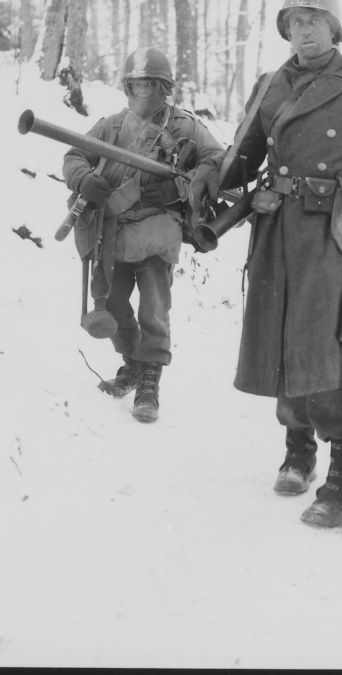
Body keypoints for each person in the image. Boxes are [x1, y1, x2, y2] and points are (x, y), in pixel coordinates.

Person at [220, 0, 342, 528]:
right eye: (294, 21)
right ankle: (298, 449)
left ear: (334, 28)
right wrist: (205, 180)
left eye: (314, 20)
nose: (303, 29)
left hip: (336, 235)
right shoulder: (270, 86)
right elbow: (241, 157)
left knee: (327, 348)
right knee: (280, 340)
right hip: (277, 229)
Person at [63, 47, 225, 423]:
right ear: (126, 87)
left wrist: (181, 189)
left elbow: (215, 160)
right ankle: (133, 362)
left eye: (150, 85)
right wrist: (84, 179)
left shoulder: (185, 127)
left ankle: (150, 378)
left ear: (165, 88)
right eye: (136, 85)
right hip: (112, 230)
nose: (143, 93)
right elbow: (74, 155)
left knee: (153, 307)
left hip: (158, 229)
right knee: (113, 305)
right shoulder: (111, 126)